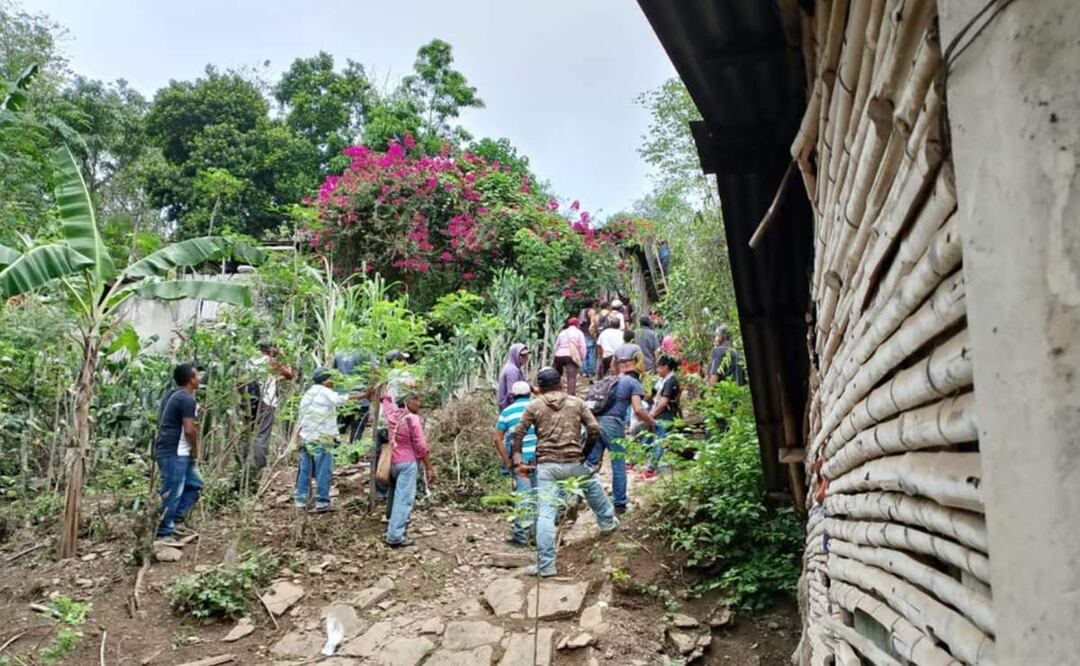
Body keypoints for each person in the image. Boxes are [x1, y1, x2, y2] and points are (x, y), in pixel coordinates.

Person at [511, 367, 617, 577]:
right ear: (560, 383)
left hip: (547, 466)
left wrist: (518, 461)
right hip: (574, 460)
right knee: (592, 487)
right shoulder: (576, 403)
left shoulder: (534, 406)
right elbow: (594, 429)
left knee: (546, 514)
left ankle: (547, 566)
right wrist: (585, 453)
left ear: (539, 388)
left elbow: (518, 433)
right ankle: (607, 524)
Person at [588, 354, 655, 513]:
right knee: (618, 463)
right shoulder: (633, 383)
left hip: (593, 420)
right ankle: (619, 503)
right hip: (613, 423)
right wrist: (652, 423)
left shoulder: (610, 380)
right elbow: (638, 409)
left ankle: (580, 498)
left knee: (590, 464)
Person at [295, 367, 362, 512]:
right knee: (323, 470)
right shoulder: (324, 391)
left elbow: (300, 418)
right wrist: (363, 395)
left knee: (305, 470)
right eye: (331, 379)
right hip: (322, 437)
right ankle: (322, 501)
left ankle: (301, 499)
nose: (333, 382)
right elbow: (340, 400)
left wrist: (297, 437)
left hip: (308, 436)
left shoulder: (308, 393)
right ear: (326, 380)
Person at [155, 363, 204, 543]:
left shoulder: (174, 395)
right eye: (197, 375)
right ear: (191, 380)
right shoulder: (186, 399)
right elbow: (190, 430)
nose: (199, 378)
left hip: (175, 450)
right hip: (175, 452)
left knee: (195, 484)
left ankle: (175, 521)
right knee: (173, 491)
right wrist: (195, 450)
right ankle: (163, 533)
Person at [381, 390, 434, 547]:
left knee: (394, 493)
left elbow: (385, 400)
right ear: (407, 402)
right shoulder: (413, 419)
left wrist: (384, 391)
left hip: (392, 462)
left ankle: (391, 524)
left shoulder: (391, 414)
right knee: (404, 499)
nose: (419, 403)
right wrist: (429, 467)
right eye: (415, 400)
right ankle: (395, 536)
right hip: (408, 463)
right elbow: (421, 446)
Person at [241, 340, 295, 475]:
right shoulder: (269, 361)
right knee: (262, 435)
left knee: (249, 433)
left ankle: (244, 465)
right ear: (271, 349)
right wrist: (282, 356)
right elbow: (290, 374)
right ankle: (259, 468)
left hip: (249, 401)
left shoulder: (250, 361)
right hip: (266, 402)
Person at [494, 381, 538, 546]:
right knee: (539, 494)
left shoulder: (507, 412)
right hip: (540, 458)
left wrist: (508, 462)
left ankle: (521, 536)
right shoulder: (537, 407)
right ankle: (536, 535)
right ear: (529, 394)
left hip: (520, 461)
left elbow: (497, 439)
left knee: (523, 496)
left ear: (512, 396)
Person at [641, 356, 681, 480]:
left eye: (659, 367)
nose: (657, 369)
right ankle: (639, 461)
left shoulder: (670, 381)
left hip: (664, 415)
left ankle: (651, 468)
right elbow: (651, 395)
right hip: (658, 413)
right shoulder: (662, 380)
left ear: (666, 367)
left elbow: (663, 402)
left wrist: (652, 414)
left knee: (658, 440)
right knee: (649, 437)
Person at [553, 317, 587, 396]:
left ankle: (555, 391)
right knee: (571, 376)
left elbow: (556, 345)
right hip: (571, 355)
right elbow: (583, 347)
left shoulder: (562, 332)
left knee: (557, 375)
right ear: (577, 324)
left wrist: (555, 355)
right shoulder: (579, 333)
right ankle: (570, 395)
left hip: (559, 355)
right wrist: (582, 358)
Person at [497, 343, 530, 412]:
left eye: (527, 355)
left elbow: (524, 382)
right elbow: (512, 394)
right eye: (523, 355)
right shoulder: (512, 371)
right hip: (508, 408)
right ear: (515, 355)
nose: (526, 357)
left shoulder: (514, 367)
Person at [579, 303, 599, 376]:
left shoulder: (582, 312)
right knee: (591, 353)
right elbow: (592, 323)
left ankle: (583, 370)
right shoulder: (591, 311)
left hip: (582, 334)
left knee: (583, 353)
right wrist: (594, 333)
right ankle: (590, 371)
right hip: (589, 334)